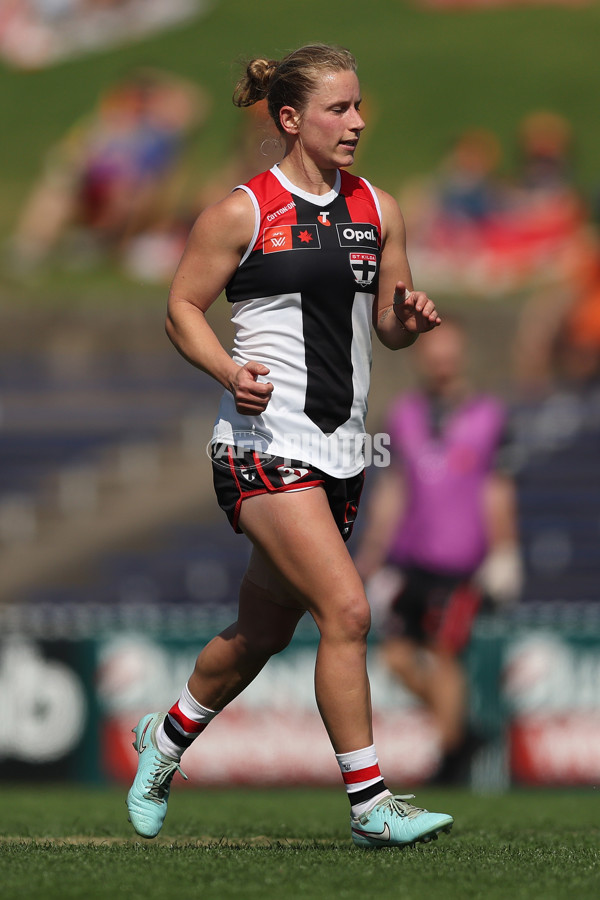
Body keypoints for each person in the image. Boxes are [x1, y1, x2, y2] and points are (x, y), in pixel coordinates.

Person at [126, 43, 453, 849]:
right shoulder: (242, 211)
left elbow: (386, 327)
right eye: (339, 108)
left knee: (262, 633)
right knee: (347, 610)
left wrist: (406, 322)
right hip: (261, 444)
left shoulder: (380, 208)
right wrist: (227, 370)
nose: (358, 121)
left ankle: (163, 740)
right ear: (291, 118)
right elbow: (181, 308)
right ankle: (371, 805)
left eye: (358, 105)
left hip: (344, 454)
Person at [354, 317, 521, 783]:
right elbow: (393, 488)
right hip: (411, 557)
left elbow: (498, 489)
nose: (441, 360)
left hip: (461, 559)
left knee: (445, 653)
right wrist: (374, 550)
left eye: (449, 351)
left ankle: (450, 759)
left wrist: (505, 550)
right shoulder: (403, 414)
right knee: (396, 657)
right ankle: (462, 735)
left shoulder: (490, 415)